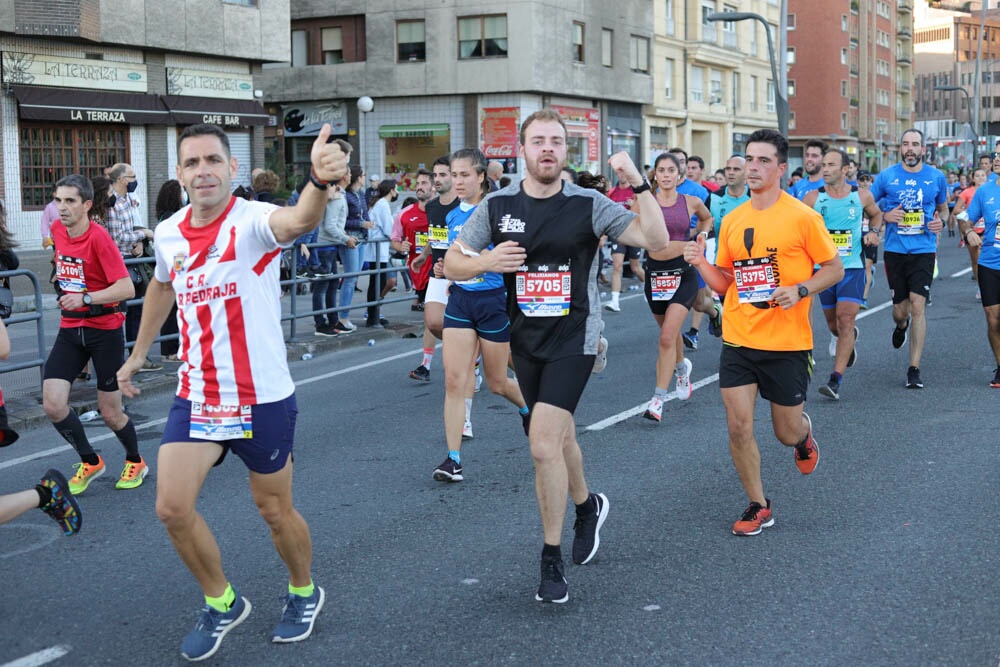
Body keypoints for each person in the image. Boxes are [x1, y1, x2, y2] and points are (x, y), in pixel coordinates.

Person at [116, 122, 347, 661]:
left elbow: (299, 220)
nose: (203, 172)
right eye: (192, 163)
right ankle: (222, 602)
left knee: (273, 509)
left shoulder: (252, 222)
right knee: (172, 508)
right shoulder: (169, 231)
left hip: (261, 394)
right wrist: (137, 352)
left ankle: (303, 591)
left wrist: (315, 179)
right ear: (178, 174)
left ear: (232, 168)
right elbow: (161, 284)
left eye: (212, 161)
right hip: (198, 394)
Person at [447, 109, 670, 603]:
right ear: (522, 150)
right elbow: (451, 261)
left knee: (543, 442)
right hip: (525, 339)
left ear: (565, 150)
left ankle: (550, 558)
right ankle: (588, 505)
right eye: (538, 141)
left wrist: (638, 184)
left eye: (556, 141)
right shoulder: (498, 205)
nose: (547, 148)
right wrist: (486, 261)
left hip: (577, 337)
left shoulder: (588, 203)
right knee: (559, 432)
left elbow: (654, 241)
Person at [682, 129, 843, 537]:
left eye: (763, 161)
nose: (753, 168)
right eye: (749, 160)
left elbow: (834, 268)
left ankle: (804, 436)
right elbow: (725, 284)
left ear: (781, 168)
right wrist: (701, 263)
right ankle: (759, 504)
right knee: (738, 426)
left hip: (787, 343)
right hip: (739, 338)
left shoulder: (803, 217)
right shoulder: (733, 220)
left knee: (784, 432)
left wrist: (800, 289)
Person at [432, 148, 529, 482]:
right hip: (461, 301)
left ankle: (529, 409)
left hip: (494, 301)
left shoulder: (501, 212)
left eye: (464, 175)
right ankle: (452, 459)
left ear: (481, 177)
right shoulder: (450, 216)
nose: (458, 182)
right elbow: (452, 257)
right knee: (454, 380)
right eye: (453, 175)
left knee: (498, 381)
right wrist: (445, 267)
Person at [43, 174, 141, 495]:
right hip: (71, 328)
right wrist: (61, 276)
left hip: (105, 331)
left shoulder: (99, 238)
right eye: (58, 200)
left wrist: (85, 297)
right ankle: (90, 460)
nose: (62, 208)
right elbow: (67, 264)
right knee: (54, 405)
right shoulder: (58, 230)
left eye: (70, 201)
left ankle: (135, 459)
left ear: (86, 205)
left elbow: (126, 287)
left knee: (111, 413)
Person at [803, 149, 883, 400]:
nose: (824, 169)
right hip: (824, 271)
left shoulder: (861, 196)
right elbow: (797, 225)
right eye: (823, 164)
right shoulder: (812, 198)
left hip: (852, 268)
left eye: (831, 164)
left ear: (846, 169)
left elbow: (877, 214)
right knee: (833, 325)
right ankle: (847, 340)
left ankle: (835, 380)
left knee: (846, 320)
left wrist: (874, 231)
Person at [870, 129, 947, 389]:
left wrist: (941, 221)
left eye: (915, 144)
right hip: (895, 250)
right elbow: (869, 204)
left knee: (918, 306)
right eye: (906, 144)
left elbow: (943, 207)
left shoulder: (936, 177)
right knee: (900, 311)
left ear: (923, 149)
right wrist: (885, 216)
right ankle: (901, 326)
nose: (910, 148)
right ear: (900, 148)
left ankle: (914, 368)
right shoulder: (887, 176)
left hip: (923, 249)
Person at [639, 153, 712, 422]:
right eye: (662, 170)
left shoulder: (691, 201)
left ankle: (657, 400)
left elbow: (707, 219)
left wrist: (701, 234)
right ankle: (682, 368)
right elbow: (627, 227)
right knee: (669, 333)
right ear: (655, 174)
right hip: (655, 276)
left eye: (672, 170)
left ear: (679, 175)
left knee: (668, 337)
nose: (667, 175)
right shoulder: (644, 203)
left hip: (683, 274)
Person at [107, 162, 161, 371]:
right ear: (121, 180)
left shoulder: (129, 200)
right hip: (121, 263)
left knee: (137, 310)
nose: (134, 181)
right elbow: (117, 237)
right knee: (122, 311)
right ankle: (119, 358)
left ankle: (136, 356)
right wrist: (144, 234)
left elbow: (129, 230)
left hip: (132, 258)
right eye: (132, 177)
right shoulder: (114, 205)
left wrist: (137, 242)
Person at [411, 156, 460, 384]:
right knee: (433, 322)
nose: (437, 180)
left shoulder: (463, 205)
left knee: (463, 325)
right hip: (437, 273)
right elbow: (435, 235)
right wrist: (423, 256)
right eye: (435, 175)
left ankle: (472, 361)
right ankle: (467, 352)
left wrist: (454, 264)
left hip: (461, 274)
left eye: (443, 175)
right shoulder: (431, 206)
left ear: (454, 176)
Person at [957, 159, 1000, 387]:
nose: (997, 160)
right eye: (996, 155)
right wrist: (970, 231)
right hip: (990, 262)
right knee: (994, 320)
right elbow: (965, 218)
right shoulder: (985, 192)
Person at [393, 170, 437, 380]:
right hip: (417, 272)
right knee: (432, 321)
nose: (419, 186)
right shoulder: (404, 214)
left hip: (441, 270)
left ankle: (425, 365)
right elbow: (395, 240)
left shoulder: (441, 211)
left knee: (433, 320)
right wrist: (401, 246)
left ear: (433, 187)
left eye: (424, 183)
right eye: (417, 183)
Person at [155, 180, 187, 361]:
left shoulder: (166, 214)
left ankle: (172, 348)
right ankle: (170, 350)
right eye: (181, 192)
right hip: (173, 264)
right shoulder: (170, 218)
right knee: (171, 309)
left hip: (173, 263)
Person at [339, 166, 372, 333]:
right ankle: (342, 317)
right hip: (350, 237)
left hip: (362, 238)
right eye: (364, 174)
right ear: (358, 177)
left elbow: (365, 213)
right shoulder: (346, 195)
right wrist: (361, 224)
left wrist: (367, 224)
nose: (364, 177)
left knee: (354, 277)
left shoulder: (361, 194)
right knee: (350, 278)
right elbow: (342, 221)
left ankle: (344, 316)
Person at [604, 178, 645, 312]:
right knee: (617, 266)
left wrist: (634, 204)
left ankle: (647, 286)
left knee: (635, 268)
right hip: (617, 233)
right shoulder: (612, 193)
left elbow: (641, 212)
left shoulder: (634, 191)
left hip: (633, 233)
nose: (621, 175)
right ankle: (614, 301)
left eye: (623, 172)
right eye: (618, 172)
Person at [365, 180, 398, 327]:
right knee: (378, 282)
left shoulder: (379, 204)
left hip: (378, 249)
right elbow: (389, 229)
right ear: (391, 190)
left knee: (376, 282)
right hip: (378, 249)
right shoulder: (383, 205)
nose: (397, 192)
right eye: (396, 189)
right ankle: (373, 317)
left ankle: (374, 315)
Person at [952, 165, 989, 300]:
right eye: (977, 176)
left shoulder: (992, 190)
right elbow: (956, 210)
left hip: (988, 230)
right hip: (972, 230)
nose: (980, 178)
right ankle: (980, 285)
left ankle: (989, 285)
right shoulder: (967, 192)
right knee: (976, 261)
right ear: (972, 179)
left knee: (989, 257)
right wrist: (969, 214)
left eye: (983, 175)